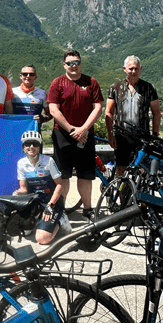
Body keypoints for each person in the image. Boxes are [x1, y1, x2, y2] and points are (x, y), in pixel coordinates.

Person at [47, 50, 103, 220]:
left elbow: (99, 107)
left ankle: (87, 209)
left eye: (76, 62)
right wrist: (72, 129)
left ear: (80, 63)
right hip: (63, 134)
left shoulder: (91, 82)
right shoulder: (57, 83)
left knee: (85, 175)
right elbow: (53, 109)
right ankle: (61, 210)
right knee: (63, 175)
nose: (74, 66)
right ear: (64, 65)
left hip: (86, 135)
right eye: (70, 63)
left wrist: (83, 129)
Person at [106, 55, 162, 177]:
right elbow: (109, 113)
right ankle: (123, 196)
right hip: (122, 137)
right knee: (121, 171)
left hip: (143, 137)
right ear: (124, 69)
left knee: (142, 170)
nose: (133, 71)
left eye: (136, 68)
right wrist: (110, 135)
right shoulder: (115, 88)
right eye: (131, 68)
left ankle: (139, 196)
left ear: (140, 69)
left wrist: (155, 135)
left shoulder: (149, 88)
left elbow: (156, 112)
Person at [13, 130, 71, 244]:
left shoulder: (48, 161)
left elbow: (60, 184)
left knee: (42, 239)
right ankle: (38, 218)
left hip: (51, 202)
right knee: (25, 232)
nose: (31, 147)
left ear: (39, 146)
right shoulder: (21, 163)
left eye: (35, 143)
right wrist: (14, 198)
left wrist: (51, 205)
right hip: (35, 203)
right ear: (23, 146)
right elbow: (23, 188)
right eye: (27, 144)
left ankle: (61, 218)